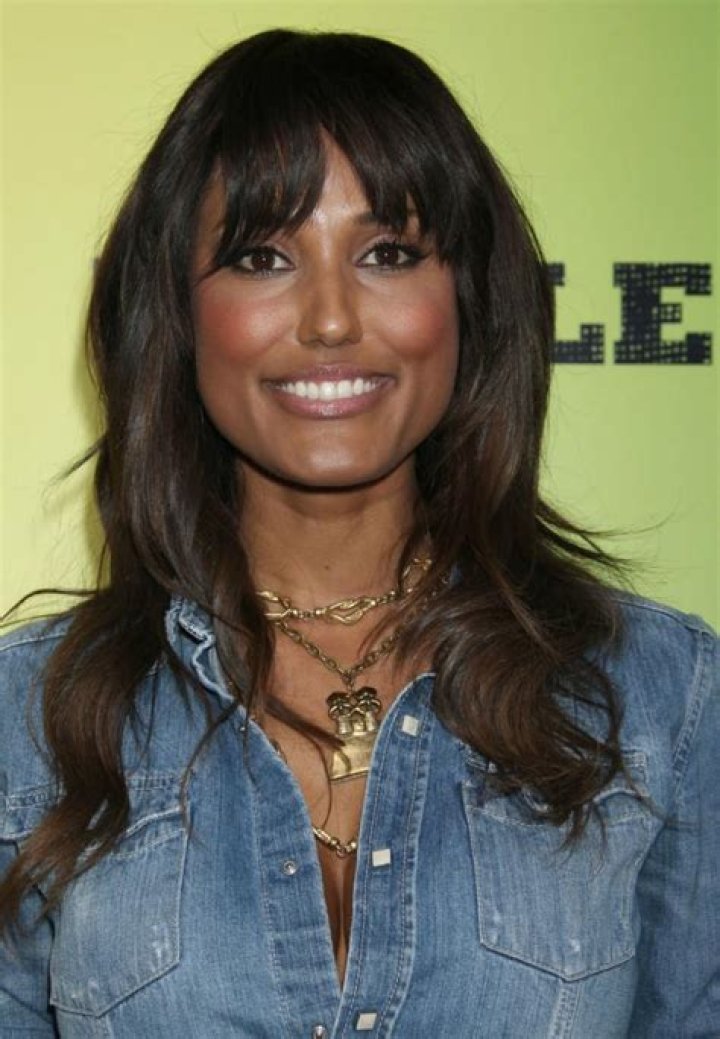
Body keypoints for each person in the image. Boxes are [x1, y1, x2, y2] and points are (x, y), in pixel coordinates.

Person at [0, 28, 717, 1038]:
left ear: (466, 298)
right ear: (178, 313)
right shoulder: (32, 718)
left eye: (388, 253)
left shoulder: (659, 694)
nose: (331, 318)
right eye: (262, 256)